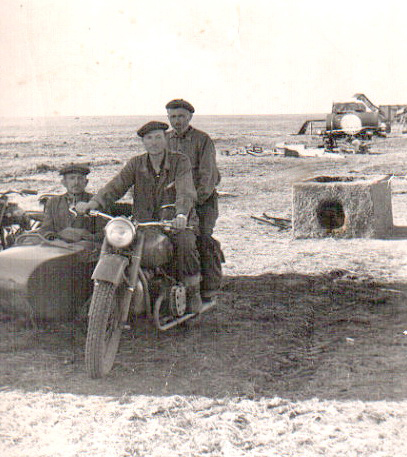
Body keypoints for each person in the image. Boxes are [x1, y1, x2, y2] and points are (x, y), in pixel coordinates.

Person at [76, 121, 203, 312]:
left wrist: (181, 214)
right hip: (144, 224)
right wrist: (92, 204)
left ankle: (193, 293)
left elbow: (185, 190)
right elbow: (115, 186)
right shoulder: (136, 164)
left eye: (158, 137)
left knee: (186, 244)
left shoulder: (180, 161)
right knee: (117, 247)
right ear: (143, 142)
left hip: (174, 223)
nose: (154, 142)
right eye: (149, 138)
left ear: (166, 139)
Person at [166, 98, 223, 301]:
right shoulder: (164, 140)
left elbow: (208, 176)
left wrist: (193, 201)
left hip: (202, 200)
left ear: (190, 117)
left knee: (203, 238)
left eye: (181, 116)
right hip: (174, 202)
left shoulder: (202, 140)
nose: (177, 121)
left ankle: (210, 286)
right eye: (173, 116)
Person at [39, 163, 100, 243]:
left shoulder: (96, 201)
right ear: (64, 182)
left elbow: (105, 231)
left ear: (86, 182)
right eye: (72, 178)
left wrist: (86, 236)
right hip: (59, 246)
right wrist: (56, 238)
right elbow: (45, 229)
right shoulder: (53, 202)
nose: (76, 183)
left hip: (88, 247)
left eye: (80, 178)